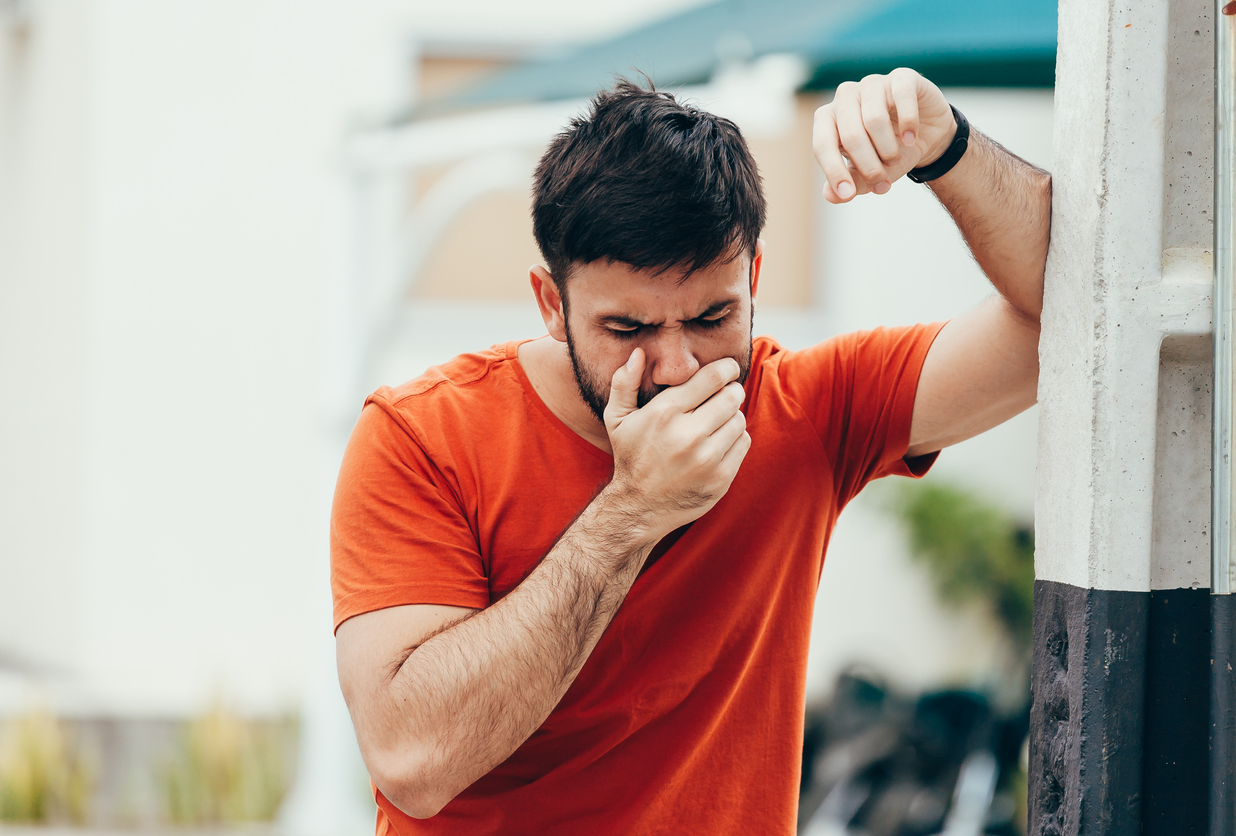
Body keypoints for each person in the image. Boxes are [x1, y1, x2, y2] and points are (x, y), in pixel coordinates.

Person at [331, 67, 1050, 835]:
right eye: (629, 330)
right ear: (552, 305)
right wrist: (631, 512)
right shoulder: (421, 436)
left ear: (755, 279)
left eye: (712, 317)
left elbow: (1070, 314)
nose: (677, 369)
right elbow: (412, 761)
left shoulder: (808, 408)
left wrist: (949, 148)